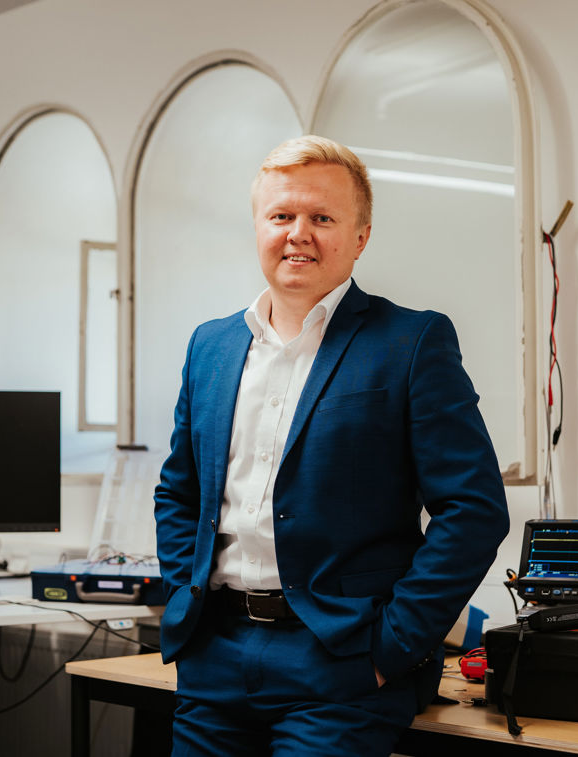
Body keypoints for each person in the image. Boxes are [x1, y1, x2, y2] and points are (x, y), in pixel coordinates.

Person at [154, 134, 509, 756]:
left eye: (322, 217)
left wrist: (392, 646)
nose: (299, 233)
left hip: (341, 662)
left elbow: (473, 510)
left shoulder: (410, 342)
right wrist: (188, 604)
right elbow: (178, 492)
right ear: (258, 227)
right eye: (282, 215)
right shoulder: (209, 347)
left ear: (360, 236)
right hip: (213, 657)